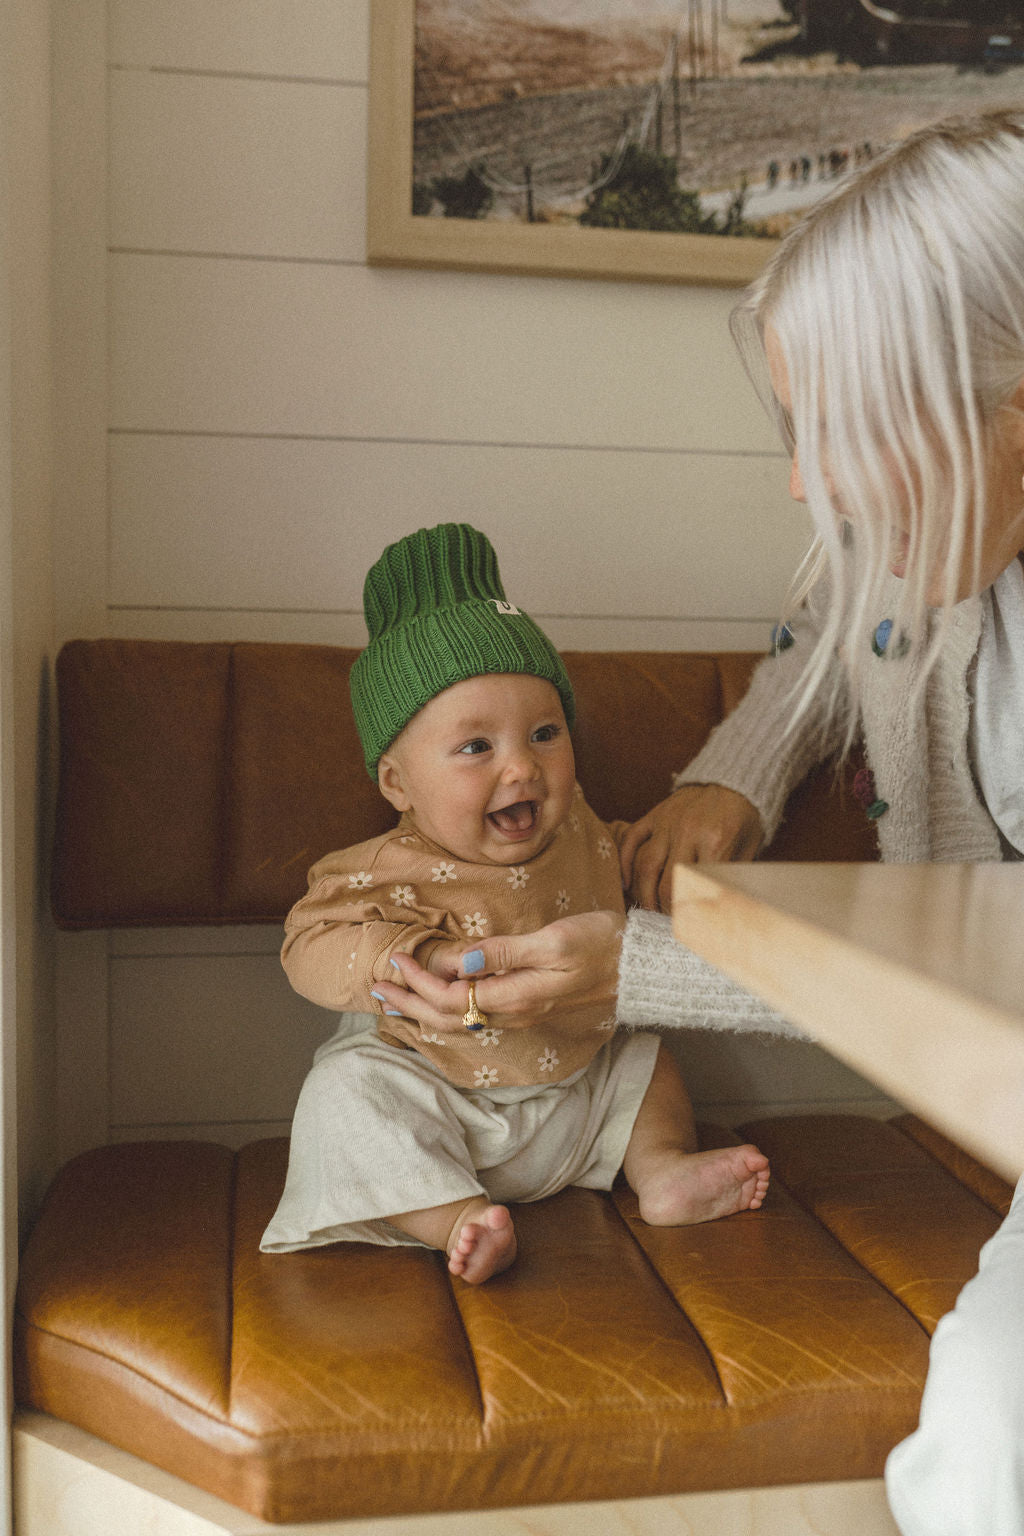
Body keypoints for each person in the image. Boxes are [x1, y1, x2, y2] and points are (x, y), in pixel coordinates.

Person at [367, 114, 1024, 1534]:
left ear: (1012, 402)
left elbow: (991, 966)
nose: (808, 485)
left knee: (993, 1440)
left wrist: (643, 969)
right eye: (797, 436)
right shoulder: (942, 563)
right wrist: (738, 772)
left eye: (842, 433)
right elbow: (835, 645)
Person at [261, 522, 769, 1285]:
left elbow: (627, 871)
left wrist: (671, 873)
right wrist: (410, 958)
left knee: (647, 1057)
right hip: (439, 1100)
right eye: (476, 748)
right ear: (398, 784)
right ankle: (454, 1219)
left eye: (544, 733)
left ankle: (661, 1169)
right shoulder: (384, 867)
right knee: (343, 1094)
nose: (522, 767)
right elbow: (310, 941)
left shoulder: (585, 830)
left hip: (577, 1091)